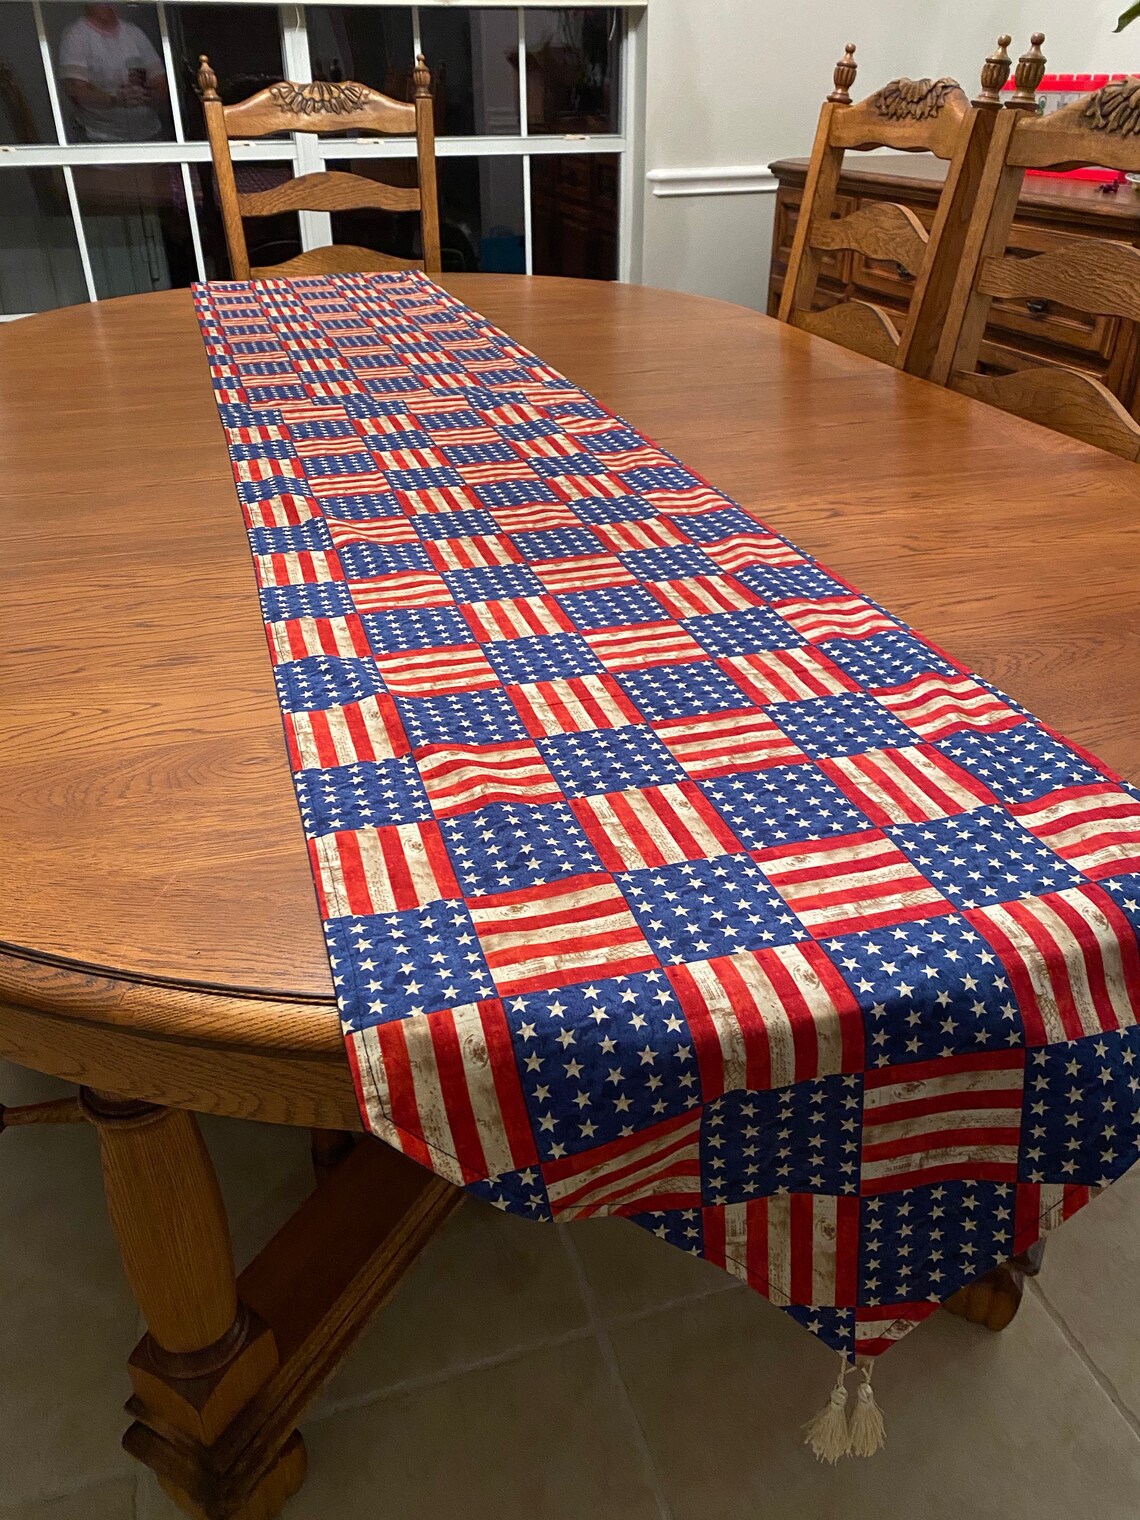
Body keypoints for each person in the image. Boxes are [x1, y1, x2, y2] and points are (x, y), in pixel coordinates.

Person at [57, 4, 167, 143]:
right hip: (100, 139)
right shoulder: (76, 35)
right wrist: (115, 100)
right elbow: (77, 92)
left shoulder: (134, 33)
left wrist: (149, 94)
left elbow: (160, 82)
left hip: (149, 134)